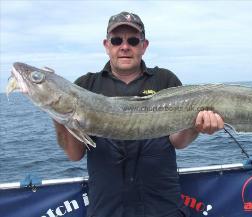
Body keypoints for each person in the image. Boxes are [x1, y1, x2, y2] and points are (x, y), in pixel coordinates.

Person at [54, 11, 224, 217]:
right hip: (107, 210)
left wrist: (196, 127)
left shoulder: (165, 80)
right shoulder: (85, 86)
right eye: (116, 40)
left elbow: (178, 141)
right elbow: (75, 154)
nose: (124, 47)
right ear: (107, 45)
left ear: (144, 46)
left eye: (133, 40)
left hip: (163, 207)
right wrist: (57, 113)